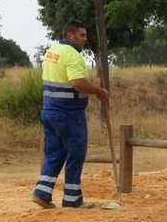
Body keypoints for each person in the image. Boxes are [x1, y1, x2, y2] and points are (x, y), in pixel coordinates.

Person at [32, 20, 109, 208]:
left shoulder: (52, 51)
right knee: (76, 153)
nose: (85, 39)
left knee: (55, 153)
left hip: (49, 111)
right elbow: (77, 82)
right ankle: (72, 200)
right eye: (82, 35)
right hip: (68, 113)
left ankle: (42, 192)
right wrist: (99, 92)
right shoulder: (73, 55)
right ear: (69, 35)